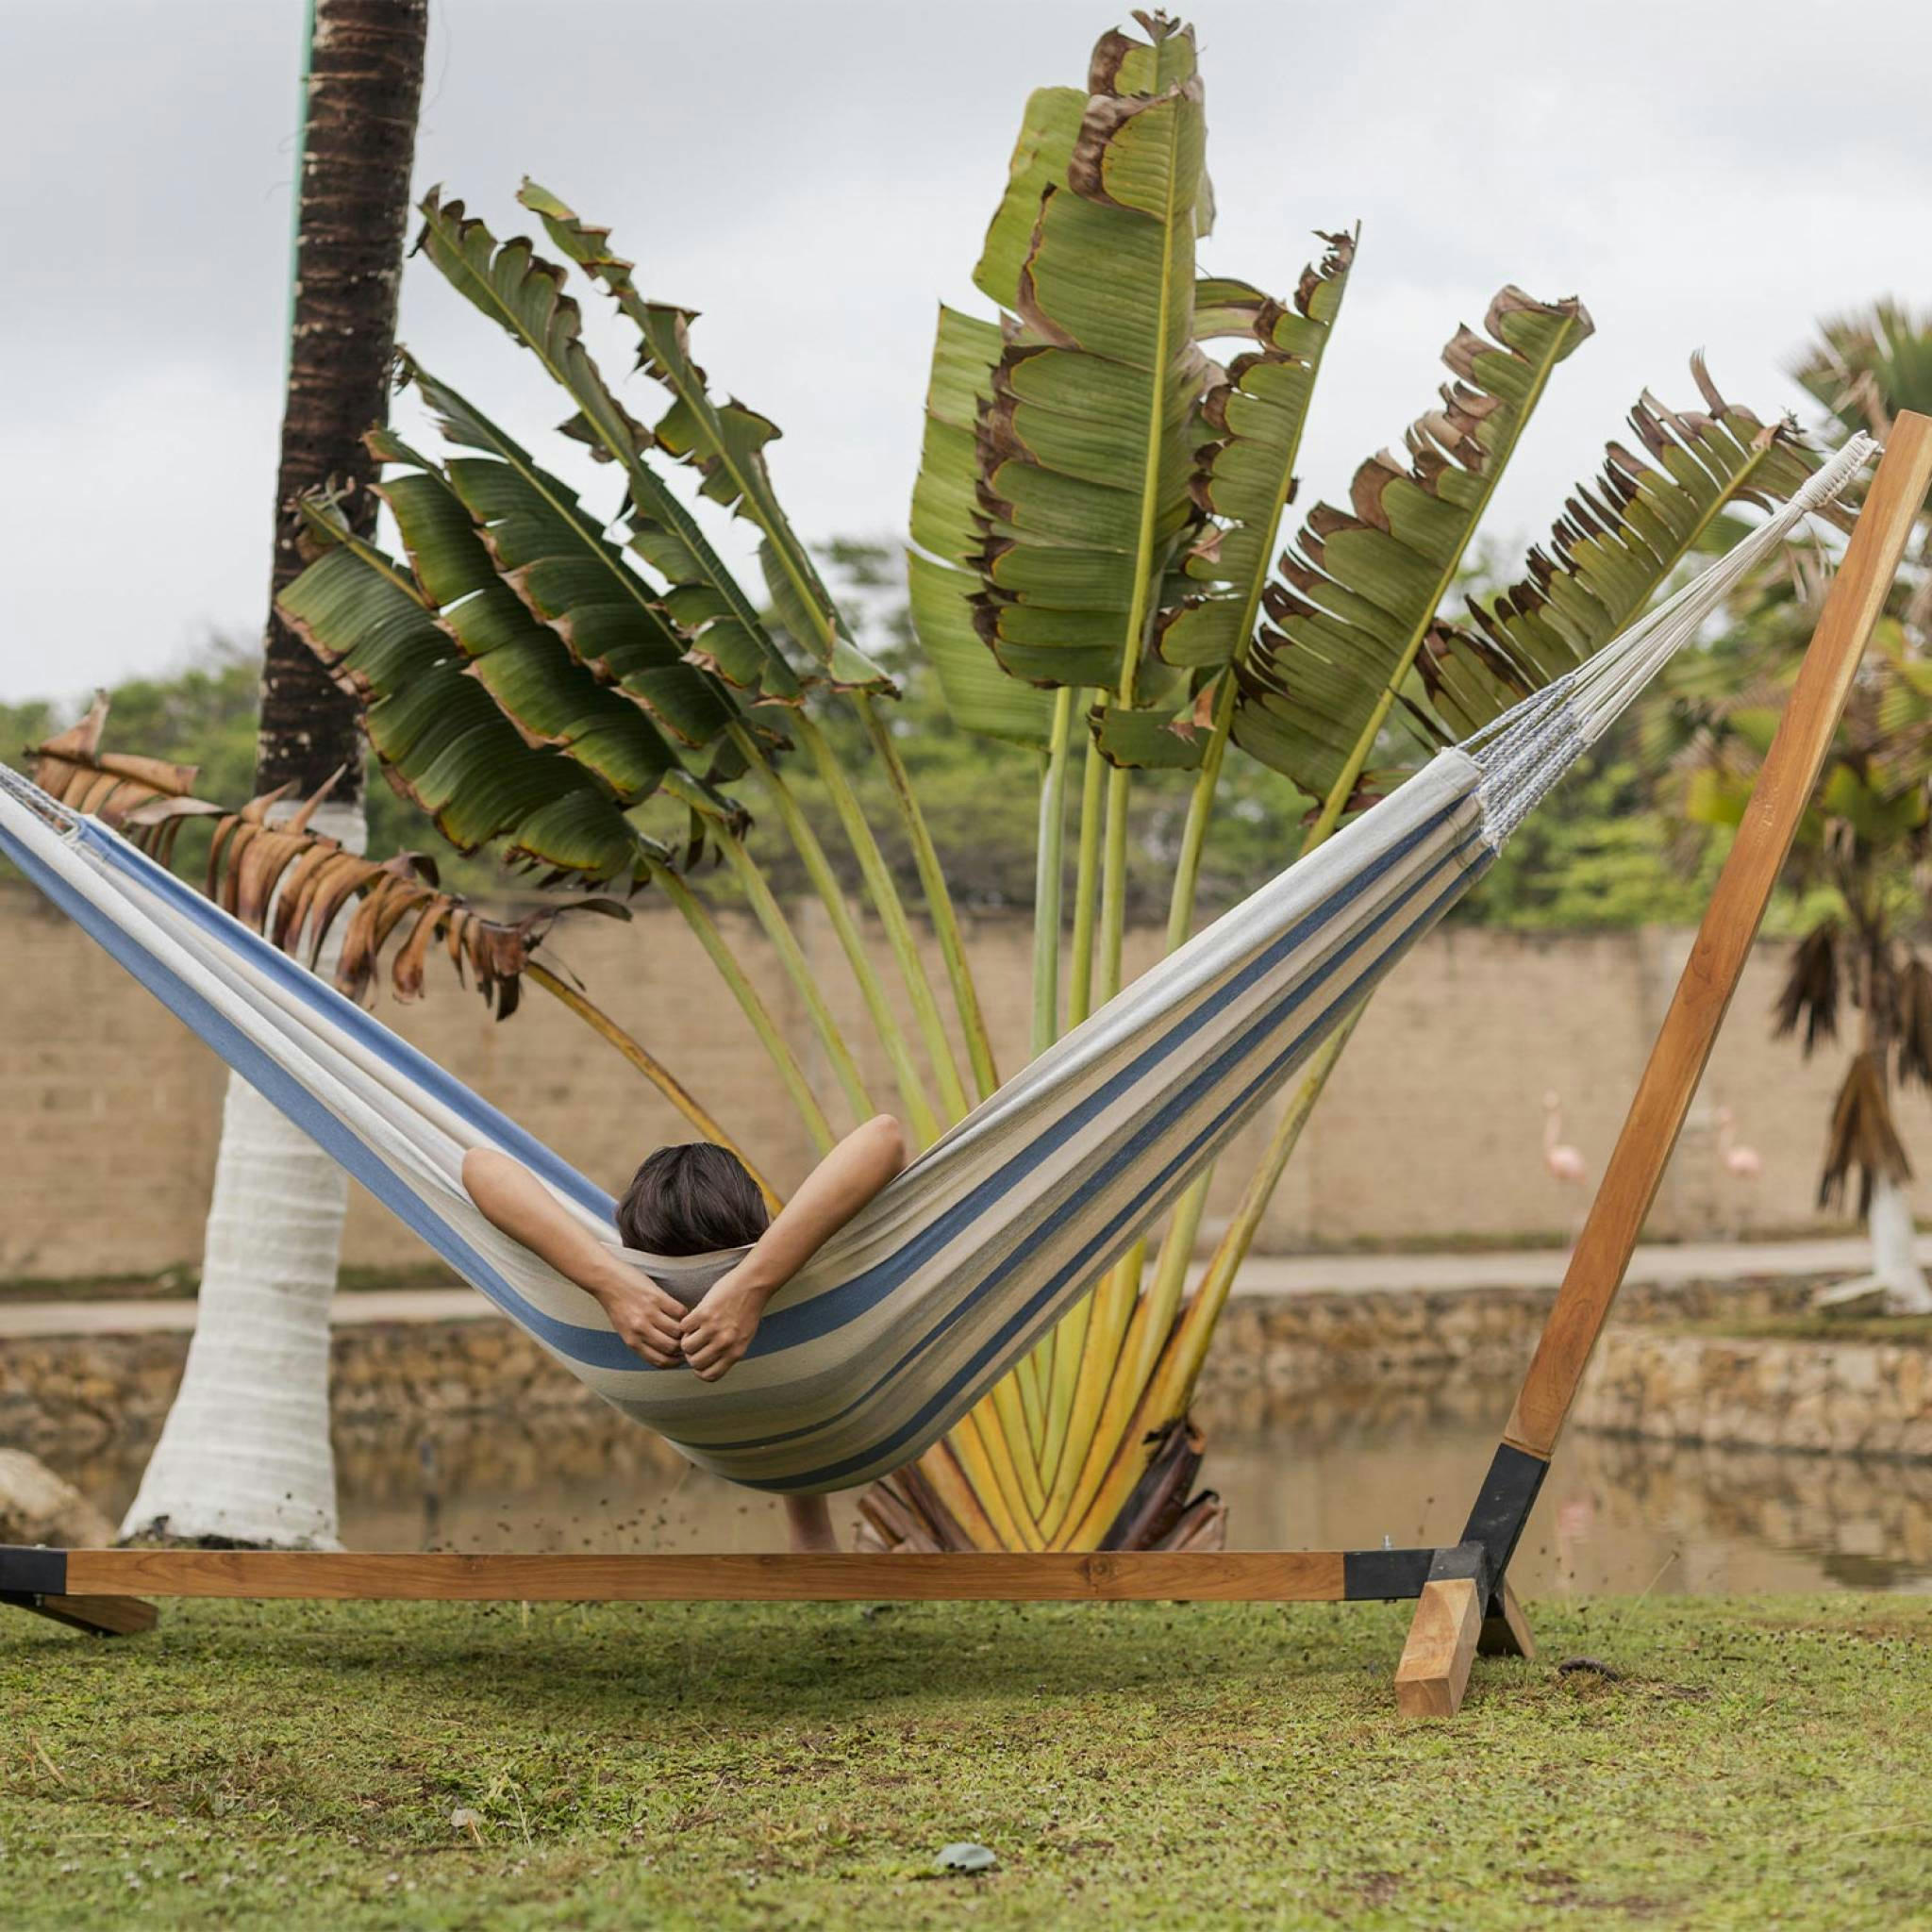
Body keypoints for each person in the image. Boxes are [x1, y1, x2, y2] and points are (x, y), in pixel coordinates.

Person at [461, 1114, 907, 1553]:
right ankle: (810, 1527)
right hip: (820, 1411)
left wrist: (607, 1281)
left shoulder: (618, 1302)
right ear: (761, 1231)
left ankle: (809, 1531)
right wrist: (757, 1282)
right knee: (794, 1361)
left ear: (628, 1238)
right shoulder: (788, 1287)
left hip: (727, 1421)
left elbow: (478, 1165)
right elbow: (884, 1136)